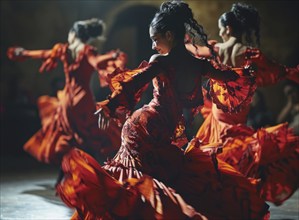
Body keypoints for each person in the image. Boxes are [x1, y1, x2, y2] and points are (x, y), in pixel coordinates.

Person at [56, 1, 269, 219]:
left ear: (169, 35)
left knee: (148, 183)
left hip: (152, 128)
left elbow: (134, 83)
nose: (152, 46)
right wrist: (248, 73)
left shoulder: (161, 61)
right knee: (150, 181)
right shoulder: (199, 65)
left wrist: (109, 106)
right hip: (145, 130)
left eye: (155, 39)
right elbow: (231, 77)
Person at [186, 2, 299, 205]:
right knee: (236, 163)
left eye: (221, 29)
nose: (220, 32)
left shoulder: (216, 50)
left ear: (228, 29)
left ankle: (219, 205)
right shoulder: (249, 55)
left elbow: (193, 52)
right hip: (237, 121)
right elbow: (276, 72)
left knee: (211, 163)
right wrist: (291, 72)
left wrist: (183, 39)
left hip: (217, 119)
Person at [7, 18, 127, 184]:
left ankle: (63, 178)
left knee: (69, 139)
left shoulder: (64, 50)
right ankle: (96, 177)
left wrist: (24, 53)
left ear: (73, 34)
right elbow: (96, 62)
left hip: (66, 103)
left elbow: (43, 54)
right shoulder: (87, 50)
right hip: (82, 101)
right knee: (90, 140)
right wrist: (111, 56)